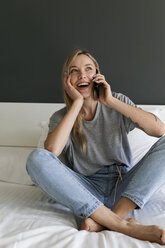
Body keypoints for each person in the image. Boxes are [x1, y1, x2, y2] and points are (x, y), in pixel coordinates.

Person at [26, 49, 165, 245]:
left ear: (97, 75)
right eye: (74, 71)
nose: (82, 75)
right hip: (85, 189)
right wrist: (76, 104)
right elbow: (51, 152)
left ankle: (104, 221)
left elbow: (160, 130)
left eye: (88, 69)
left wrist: (110, 101)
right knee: (36, 158)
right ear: (67, 80)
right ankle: (122, 225)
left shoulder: (117, 102)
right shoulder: (61, 117)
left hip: (123, 186)